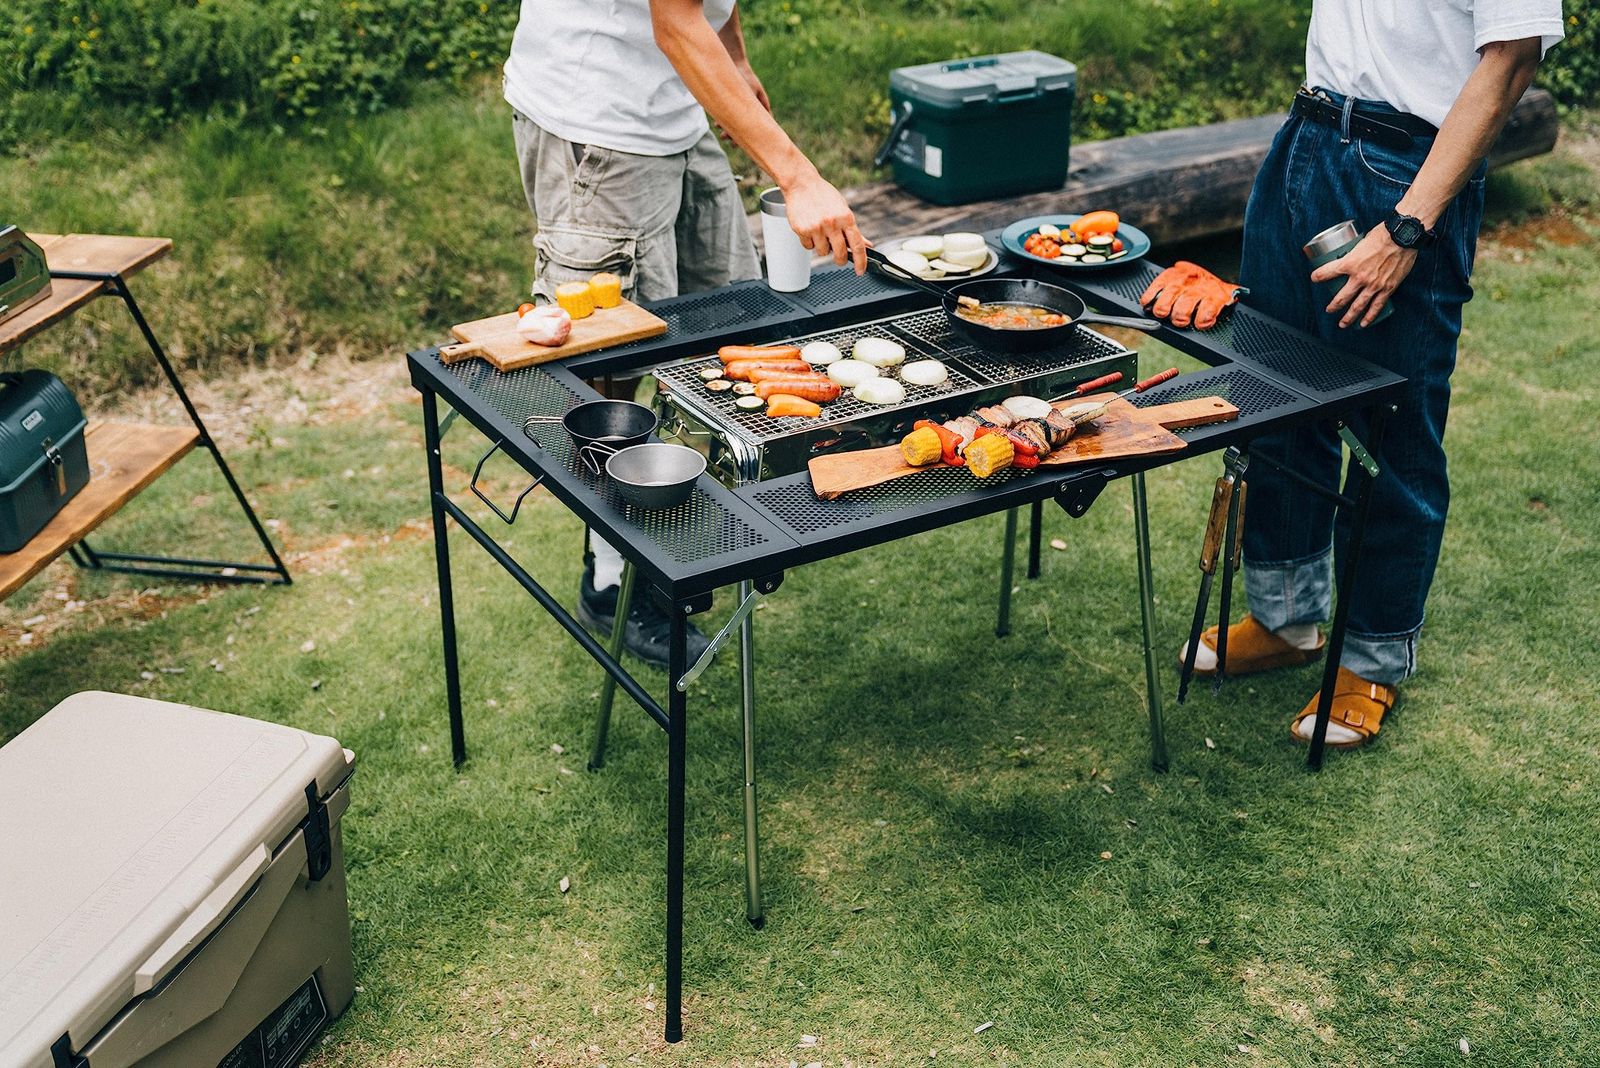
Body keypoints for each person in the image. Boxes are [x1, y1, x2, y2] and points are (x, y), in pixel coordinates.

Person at [1179, 1, 1564, 748]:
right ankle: (1287, 618)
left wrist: (1408, 226)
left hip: (1406, 170)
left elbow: (1512, 58)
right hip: (1308, 137)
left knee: (1391, 431)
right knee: (1275, 397)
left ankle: (1373, 657)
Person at [502, 0, 868, 665]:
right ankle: (611, 578)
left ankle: (680, 531)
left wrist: (736, 57)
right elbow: (675, 21)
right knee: (613, 364)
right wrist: (799, 175)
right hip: (596, 115)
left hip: (674, 104)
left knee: (727, 319)